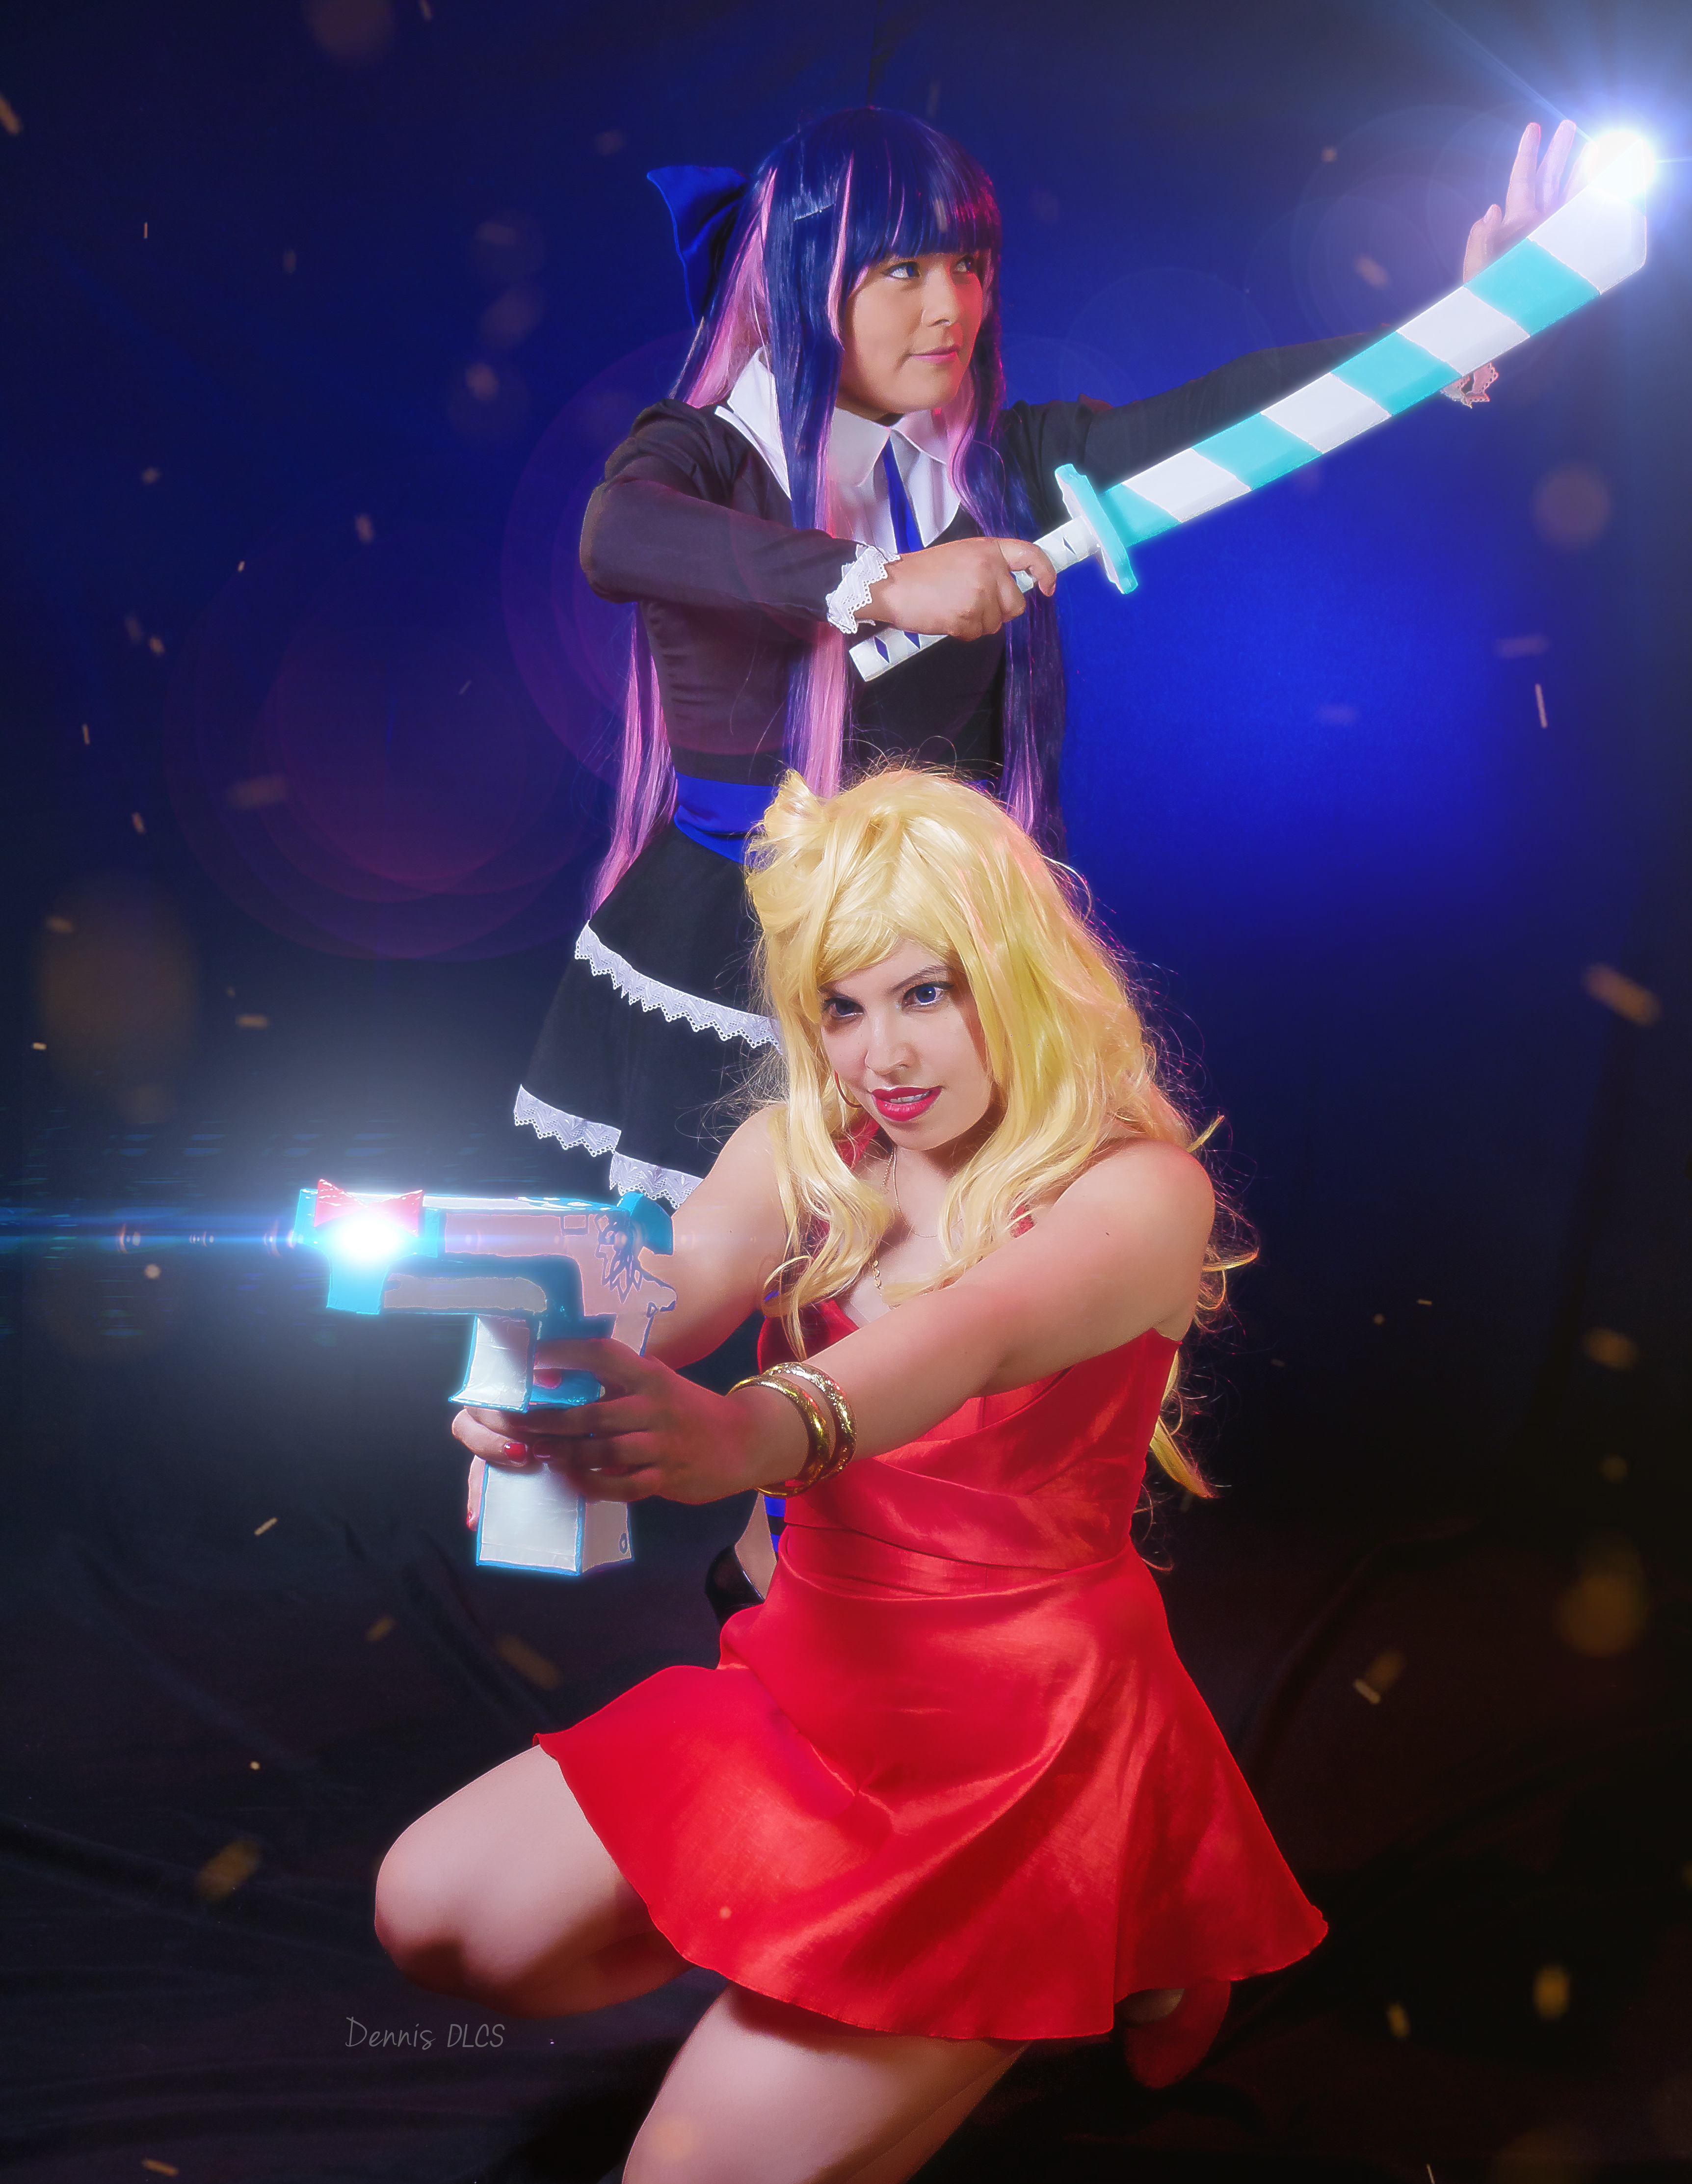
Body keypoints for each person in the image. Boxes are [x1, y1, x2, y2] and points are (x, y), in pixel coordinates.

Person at [513, 105, 1574, 1613]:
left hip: (935, 980)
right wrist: (880, 580)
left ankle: (840, 1589)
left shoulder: (1006, 466)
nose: (949, 305)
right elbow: (619, 537)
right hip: (731, 957)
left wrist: (1466, 328)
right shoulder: (700, 454)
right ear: (804, 277)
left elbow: (1225, 422)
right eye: (899, 270)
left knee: (920, 1287)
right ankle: (679, 1573)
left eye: (967, 265)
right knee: (693, 1286)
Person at [379, 768, 1330, 2184]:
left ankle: (1090, 1930)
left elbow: (975, 1332)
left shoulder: (1140, 1194)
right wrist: (538, 1372)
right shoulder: (806, 1152)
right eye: (841, 1007)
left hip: (1019, 1749)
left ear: (1016, 976)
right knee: (437, 1910)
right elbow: (676, 1277)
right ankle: (826, 1963)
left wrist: (752, 1432)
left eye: (926, 994)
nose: (881, 1055)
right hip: (810, 1687)